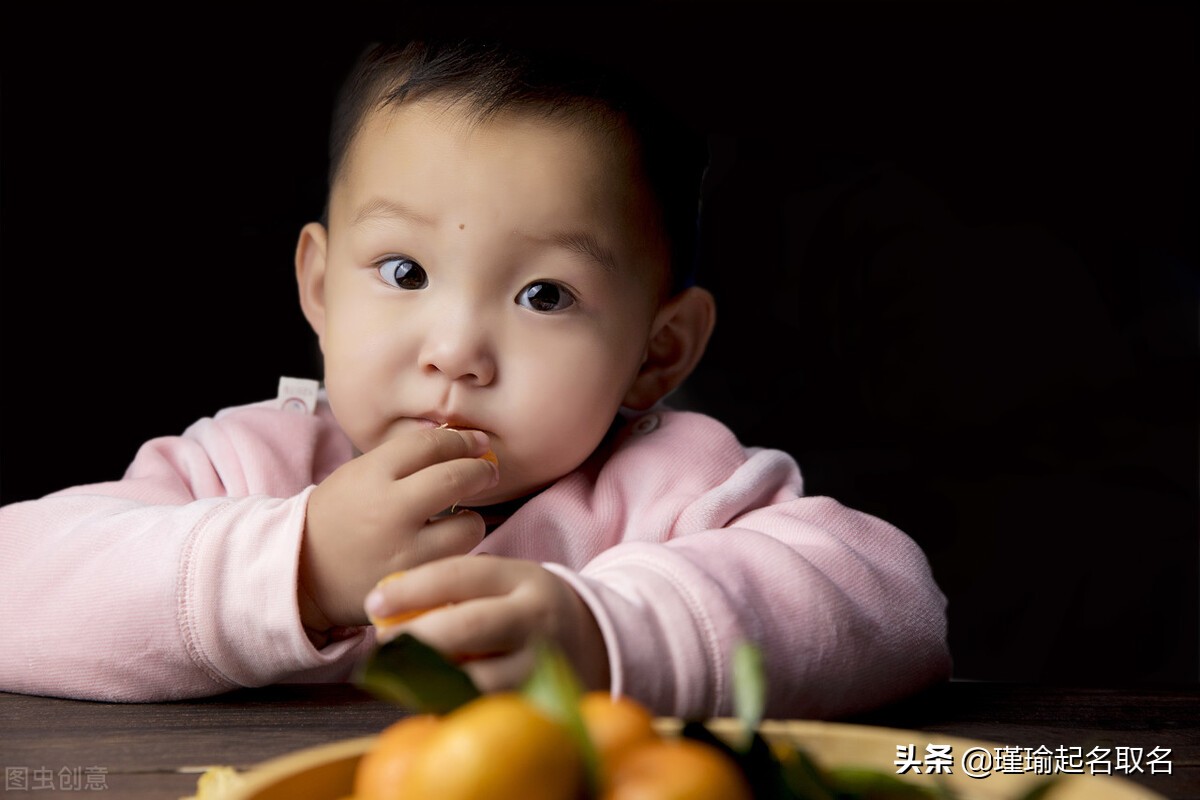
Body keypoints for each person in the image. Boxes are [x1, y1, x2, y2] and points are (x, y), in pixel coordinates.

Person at [0, 36, 950, 718]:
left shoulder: (669, 488)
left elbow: (893, 604)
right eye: (404, 273)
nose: (455, 350)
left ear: (658, 352)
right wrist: (300, 567)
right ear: (322, 288)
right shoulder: (253, 466)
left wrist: (606, 637)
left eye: (544, 294)